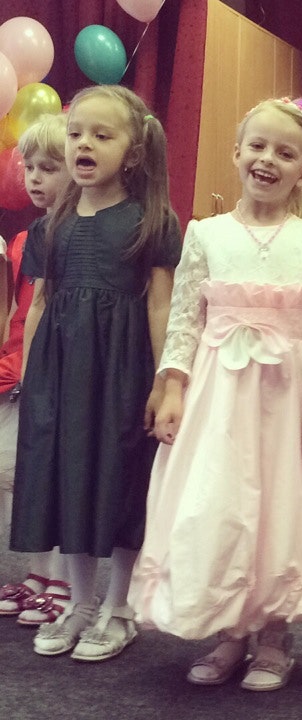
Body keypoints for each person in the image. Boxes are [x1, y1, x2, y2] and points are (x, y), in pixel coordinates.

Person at [129, 97, 302, 691]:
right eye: (257, 146)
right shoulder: (205, 233)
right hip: (218, 396)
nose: (267, 159)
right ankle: (230, 630)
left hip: (287, 399)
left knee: (285, 506)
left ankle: (275, 635)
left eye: (286, 153)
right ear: (236, 153)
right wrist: (172, 385)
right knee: (221, 502)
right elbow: (185, 317)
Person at [9, 85, 181, 661]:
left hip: (122, 375)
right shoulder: (50, 227)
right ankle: (80, 603)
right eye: (76, 133)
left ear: (133, 153)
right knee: (69, 479)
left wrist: (163, 381)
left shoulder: (151, 221)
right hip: (62, 375)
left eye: (102, 135)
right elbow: (39, 304)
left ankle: (119, 607)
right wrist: (31, 379)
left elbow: (161, 306)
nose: (84, 144)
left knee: (122, 480)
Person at [0, 114, 72, 627]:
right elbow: (16, 313)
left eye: (50, 167)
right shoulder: (25, 240)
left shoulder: (79, 237)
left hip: (60, 375)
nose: (35, 178)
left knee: (57, 478)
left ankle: (64, 578)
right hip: (20, 372)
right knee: (24, 478)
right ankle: (37, 574)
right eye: (30, 167)